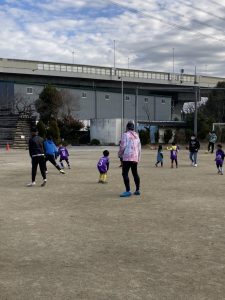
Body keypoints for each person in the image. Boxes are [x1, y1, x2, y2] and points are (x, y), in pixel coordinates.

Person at [118, 121, 141, 197]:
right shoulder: (136, 135)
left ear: (127, 127)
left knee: (125, 173)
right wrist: (138, 157)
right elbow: (139, 147)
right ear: (133, 128)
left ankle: (128, 191)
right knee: (135, 173)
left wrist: (120, 154)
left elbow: (123, 146)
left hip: (127, 157)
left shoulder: (125, 135)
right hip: (135, 157)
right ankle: (137, 190)